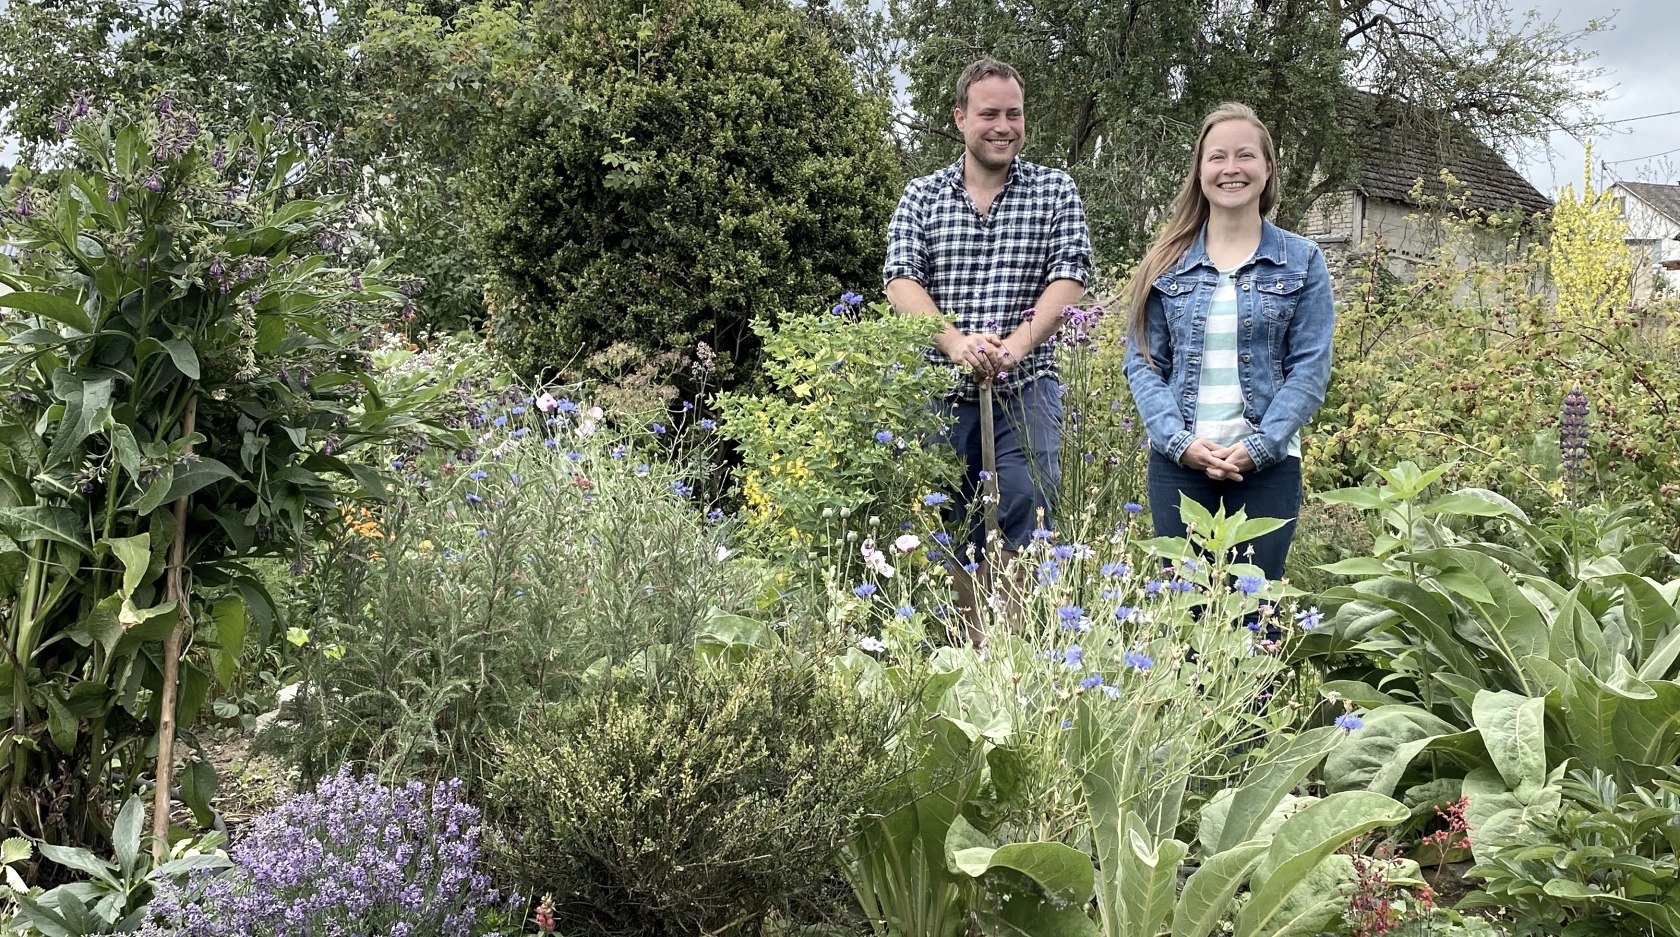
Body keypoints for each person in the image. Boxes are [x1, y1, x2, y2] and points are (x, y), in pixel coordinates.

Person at [884, 57, 1092, 644]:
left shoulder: (1054, 190)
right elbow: (901, 280)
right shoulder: (922, 196)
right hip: (941, 390)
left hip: (1027, 388)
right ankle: (970, 649)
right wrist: (956, 343)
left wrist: (1015, 347)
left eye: (1014, 114)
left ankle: (1014, 652)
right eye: (989, 114)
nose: (1003, 126)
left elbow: (1070, 276)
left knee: (1028, 510)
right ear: (960, 119)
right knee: (951, 520)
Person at [1122, 102, 1334, 587]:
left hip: (1267, 469)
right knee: (1185, 607)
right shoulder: (1166, 262)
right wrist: (1180, 443)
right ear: (1200, 171)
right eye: (1217, 157)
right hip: (1179, 466)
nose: (1231, 168)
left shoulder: (1303, 261)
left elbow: (1309, 370)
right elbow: (1143, 363)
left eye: (1245, 155)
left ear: (1268, 168)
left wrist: (1259, 447)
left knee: (1251, 611)